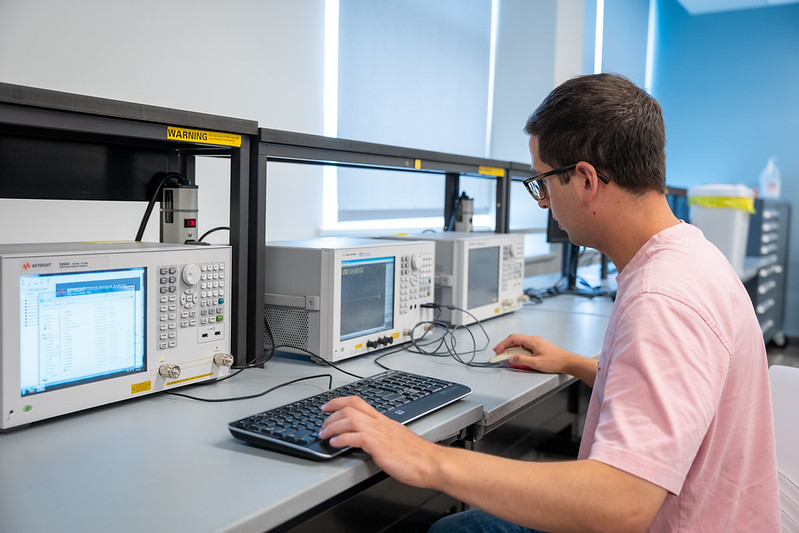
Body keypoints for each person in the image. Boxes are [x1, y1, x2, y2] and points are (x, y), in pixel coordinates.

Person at [319, 73, 781, 532]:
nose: (543, 203)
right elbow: (680, 391)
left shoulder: (663, 298)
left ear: (584, 180)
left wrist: (428, 459)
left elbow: (622, 503)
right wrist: (578, 363)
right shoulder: (689, 256)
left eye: (542, 182)